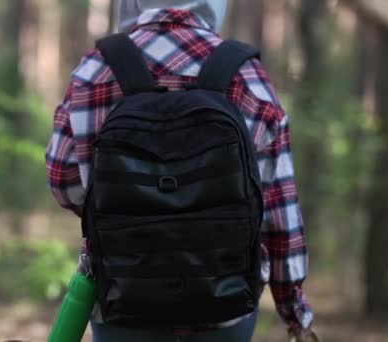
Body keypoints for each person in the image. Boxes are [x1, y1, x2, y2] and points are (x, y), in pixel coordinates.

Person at [46, 0, 315, 341]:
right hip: (226, 304)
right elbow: (279, 215)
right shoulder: (248, 76)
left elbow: (62, 180)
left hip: (122, 296)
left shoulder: (95, 69)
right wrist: (294, 311)